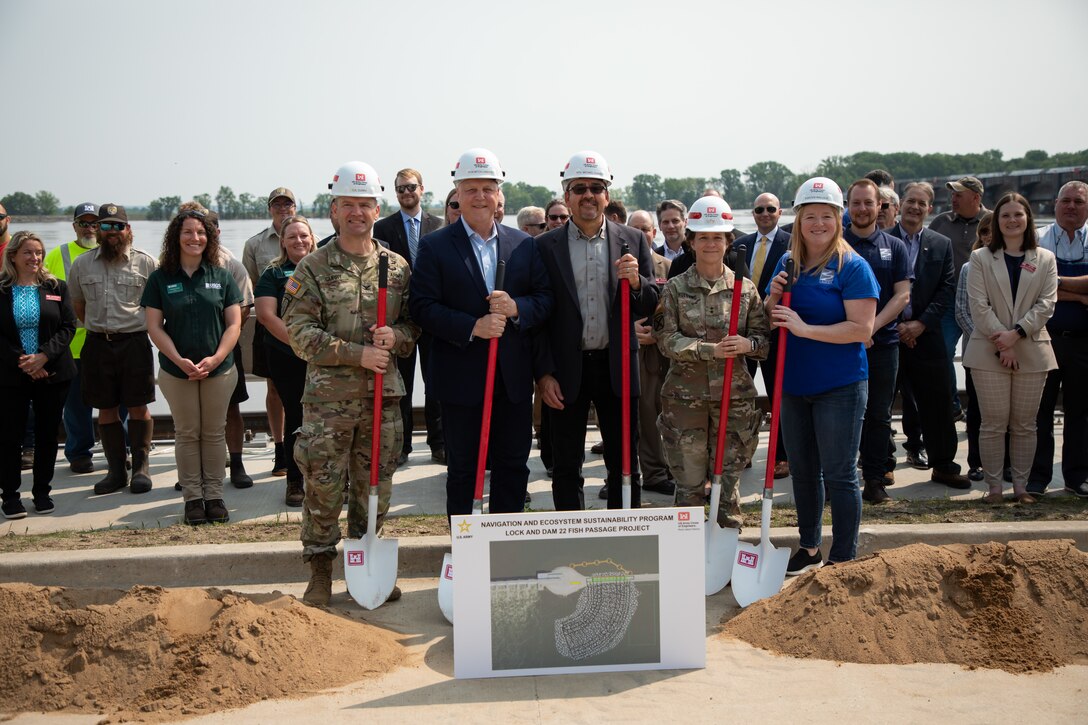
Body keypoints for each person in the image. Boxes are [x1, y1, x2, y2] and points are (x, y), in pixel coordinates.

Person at [282, 161, 419, 607]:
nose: (357, 213)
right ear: (334, 210)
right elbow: (299, 333)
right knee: (323, 487)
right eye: (348, 205)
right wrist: (356, 353)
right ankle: (320, 571)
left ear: (377, 209)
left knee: (375, 487)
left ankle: (368, 566)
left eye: (365, 205)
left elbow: (415, 323)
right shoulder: (313, 267)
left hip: (383, 402)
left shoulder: (395, 267)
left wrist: (395, 336)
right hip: (328, 403)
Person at [410, 148, 552, 520]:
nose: (479, 197)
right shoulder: (435, 246)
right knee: (463, 469)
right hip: (461, 380)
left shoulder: (522, 244)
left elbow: (544, 299)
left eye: (487, 188)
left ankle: (506, 544)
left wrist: (516, 308)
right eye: (471, 188)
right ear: (457, 192)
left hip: (513, 379)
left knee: (513, 466)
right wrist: (473, 327)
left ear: (499, 194)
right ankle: (465, 545)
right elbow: (422, 307)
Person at [765, 178, 878, 573]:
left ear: (838, 219)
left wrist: (804, 328)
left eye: (826, 216)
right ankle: (809, 546)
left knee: (840, 473)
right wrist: (773, 298)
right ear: (798, 220)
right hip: (793, 384)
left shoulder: (853, 266)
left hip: (839, 385)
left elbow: (862, 330)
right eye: (809, 215)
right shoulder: (787, 262)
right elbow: (769, 316)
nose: (817, 223)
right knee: (803, 471)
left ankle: (844, 557)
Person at [535, 150, 659, 511]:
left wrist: (636, 282)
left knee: (623, 464)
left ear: (607, 193)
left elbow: (651, 300)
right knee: (565, 466)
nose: (588, 195)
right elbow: (539, 318)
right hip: (565, 372)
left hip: (616, 367)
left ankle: (625, 539)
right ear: (566, 195)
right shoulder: (544, 247)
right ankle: (570, 542)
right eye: (579, 188)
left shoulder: (633, 240)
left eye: (596, 187)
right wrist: (543, 374)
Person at [655, 198, 769, 525]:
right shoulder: (674, 289)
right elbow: (666, 340)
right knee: (688, 487)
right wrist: (709, 350)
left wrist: (748, 343)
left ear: (728, 242)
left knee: (728, 485)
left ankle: (727, 557)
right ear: (691, 242)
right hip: (685, 401)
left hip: (734, 401)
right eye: (703, 236)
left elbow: (764, 342)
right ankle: (685, 556)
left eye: (718, 237)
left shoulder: (744, 290)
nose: (710, 243)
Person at [142, 210, 242, 525]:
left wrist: (215, 358)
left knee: (213, 433)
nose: (195, 238)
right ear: (176, 237)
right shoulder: (160, 278)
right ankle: (192, 500)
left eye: (201, 232)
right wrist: (177, 359)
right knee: (187, 433)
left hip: (220, 369)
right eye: (187, 232)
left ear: (209, 237)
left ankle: (214, 496)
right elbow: (154, 327)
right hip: (177, 371)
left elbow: (234, 323)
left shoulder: (221, 275)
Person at [964, 192, 1057, 504]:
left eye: (1019, 214)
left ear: (1028, 218)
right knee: (993, 423)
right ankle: (993, 488)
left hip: (1032, 350)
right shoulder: (979, 259)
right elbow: (978, 306)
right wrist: (1002, 340)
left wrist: (1016, 334)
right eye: (1006, 215)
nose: (1012, 220)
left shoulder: (1045, 259)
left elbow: (1047, 305)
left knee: (1025, 424)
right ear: (997, 219)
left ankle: (1020, 486)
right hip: (988, 351)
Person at [67, 203, 157, 496]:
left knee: (138, 406)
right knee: (105, 409)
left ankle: (141, 468)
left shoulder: (146, 263)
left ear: (128, 230)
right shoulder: (82, 264)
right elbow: (79, 307)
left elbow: (157, 307)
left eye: (118, 226)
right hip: (98, 343)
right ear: (99, 231)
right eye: (106, 226)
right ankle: (116, 470)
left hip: (134, 343)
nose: (112, 232)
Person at [888, 182, 970, 491]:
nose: (915, 207)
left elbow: (947, 288)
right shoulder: (883, 241)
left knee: (938, 404)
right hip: (889, 336)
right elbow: (878, 287)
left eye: (922, 203)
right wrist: (897, 325)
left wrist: (920, 324)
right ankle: (882, 467)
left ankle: (944, 465)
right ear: (900, 205)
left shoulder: (940, 244)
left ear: (930, 209)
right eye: (910, 201)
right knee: (880, 404)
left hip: (928, 334)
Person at [843, 179, 914, 504]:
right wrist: (853, 330)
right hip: (840, 344)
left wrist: (869, 328)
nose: (861, 209)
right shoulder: (836, 244)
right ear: (847, 205)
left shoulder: (894, 246)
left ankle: (874, 480)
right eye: (855, 203)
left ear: (880, 206)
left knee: (878, 414)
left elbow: (902, 295)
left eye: (868, 203)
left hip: (882, 345)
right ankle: (839, 482)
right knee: (841, 412)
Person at [0, 232, 76, 519]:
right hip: (10, 374)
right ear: (13, 257)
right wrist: (24, 361)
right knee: (9, 436)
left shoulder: (56, 286)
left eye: (39, 253)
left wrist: (43, 356)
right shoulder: (1, 289)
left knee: (47, 435)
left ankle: (42, 493)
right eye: (28, 253)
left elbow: (68, 326)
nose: (35, 258)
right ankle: (10, 496)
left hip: (53, 372)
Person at [374, 169, 445, 466]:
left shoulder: (439, 225)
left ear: (422, 189)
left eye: (411, 187)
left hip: (432, 315)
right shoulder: (383, 228)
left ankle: (438, 443)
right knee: (401, 384)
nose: (406, 193)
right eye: (400, 188)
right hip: (399, 318)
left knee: (436, 383)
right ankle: (401, 447)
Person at [1029, 181, 1088, 498]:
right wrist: (1079, 295)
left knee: (1081, 412)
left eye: (1078, 202)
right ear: (1054, 204)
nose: (1071, 207)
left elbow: (1046, 284)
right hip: (1043, 338)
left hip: (1083, 342)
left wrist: (1054, 282)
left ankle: (1078, 477)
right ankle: (1038, 478)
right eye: (1065, 200)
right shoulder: (1037, 239)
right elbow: (1032, 285)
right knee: (1040, 411)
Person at [255, 214, 316, 507]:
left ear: (312, 237)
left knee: (328, 420)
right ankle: (295, 480)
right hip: (286, 355)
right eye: (292, 236)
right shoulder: (273, 273)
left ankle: (330, 480)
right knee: (296, 416)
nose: (299, 241)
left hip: (323, 356)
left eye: (303, 235)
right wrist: (302, 344)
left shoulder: (324, 268)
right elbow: (267, 316)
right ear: (283, 241)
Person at [735, 192, 791, 479]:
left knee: (777, 394)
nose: (765, 213)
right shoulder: (739, 245)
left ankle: (782, 456)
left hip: (777, 333)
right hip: (745, 334)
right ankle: (742, 452)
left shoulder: (792, 245)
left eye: (771, 208)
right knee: (740, 395)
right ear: (753, 213)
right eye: (759, 209)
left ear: (780, 212)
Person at [243, 187, 297, 477]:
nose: (283, 208)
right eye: (277, 204)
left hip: (305, 328)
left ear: (295, 206)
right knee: (274, 389)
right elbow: (253, 284)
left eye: (287, 203)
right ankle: (280, 449)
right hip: (271, 328)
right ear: (270, 209)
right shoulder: (255, 244)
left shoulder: (307, 239)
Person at [42, 202, 100, 474]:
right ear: (74, 225)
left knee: (120, 402)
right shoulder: (57, 255)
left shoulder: (112, 252)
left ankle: (123, 448)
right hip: (71, 346)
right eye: (83, 223)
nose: (89, 228)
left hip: (106, 343)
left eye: (94, 223)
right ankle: (78, 453)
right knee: (76, 407)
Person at [930, 176, 988, 420]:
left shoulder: (993, 221)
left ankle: (982, 409)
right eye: (952, 194)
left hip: (984, 302)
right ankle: (952, 406)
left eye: (958, 194)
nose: (952, 199)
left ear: (975, 197)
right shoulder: (941, 222)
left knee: (981, 356)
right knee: (942, 353)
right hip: (948, 300)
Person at [628, 210, 675, 496]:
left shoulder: (668, 267)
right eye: (636, 229)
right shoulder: (617, 265)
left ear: (654, 233)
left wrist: (658, 334)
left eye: (646, 229)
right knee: (640, 414)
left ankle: (665, 469)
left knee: (665, 412)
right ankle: (646, 473)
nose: (642, 234)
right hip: (632, 352)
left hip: (664, 350)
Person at [955, 212, 994, 481]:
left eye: (994, 230)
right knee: (978, 410)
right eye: (984, 232)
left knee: (1006, 413)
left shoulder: (1022, 265)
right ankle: (976, 462)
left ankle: (1005, 462)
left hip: (1013, 348)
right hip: (977, 351)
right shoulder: (970, 267)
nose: (989, 236)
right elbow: (961, 311)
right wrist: (987, 338)